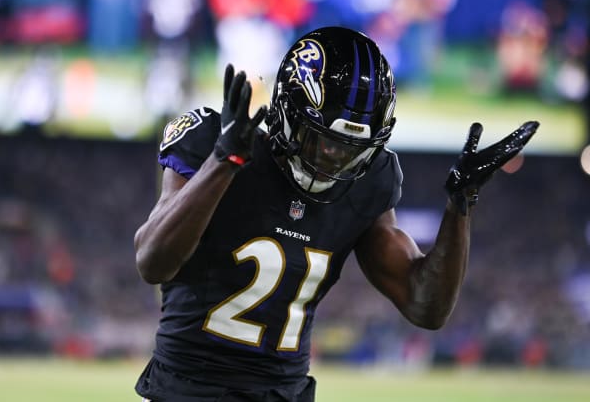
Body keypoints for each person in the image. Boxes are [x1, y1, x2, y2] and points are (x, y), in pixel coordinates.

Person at [133, 26, 538, 401]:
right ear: (289, 113)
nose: (333, 157)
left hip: (284, 394)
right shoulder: (212, 137)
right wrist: (224, 160)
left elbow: (426, 306)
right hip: (186, 391)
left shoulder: (369, 182)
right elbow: (153, 261)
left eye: (350, 148)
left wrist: (460, 205)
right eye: (322, 140)